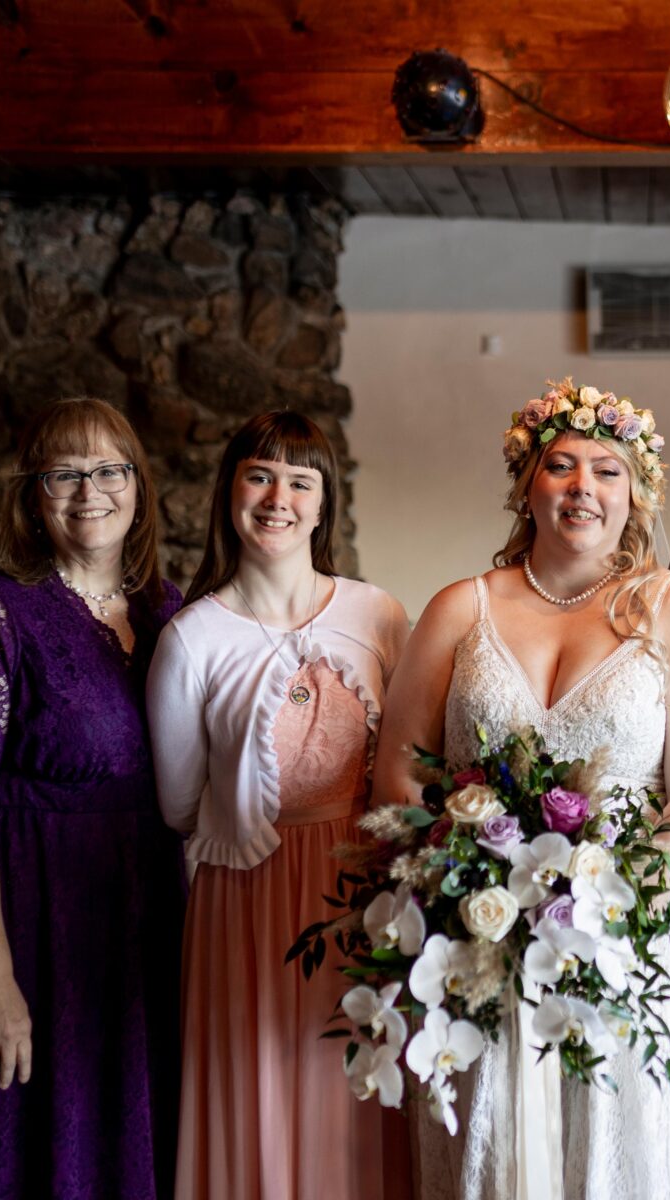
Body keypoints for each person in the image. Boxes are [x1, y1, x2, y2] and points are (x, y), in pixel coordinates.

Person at [376, 380, 670, 1200]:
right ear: (527, 485)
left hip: (633, 940)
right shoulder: (457, 609)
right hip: (482, 937)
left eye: (607, 470)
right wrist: (455, 889)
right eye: (562, 467)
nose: (583, 488)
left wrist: (617, 910)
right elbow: (399, 773)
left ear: (635, 492)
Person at [0, 397, 185, 1200]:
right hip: (25, 926)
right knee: (15, 1153)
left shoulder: (171, 612)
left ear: (138, 485)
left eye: (109, 470)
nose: (90, 491)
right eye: (63, 473)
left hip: (137, 935)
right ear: (32, 495)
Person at [147, 411, 411, 1200]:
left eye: (301, 481)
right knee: (254, 1081)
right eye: (260, 475)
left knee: (354, 1085)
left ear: (324, 504)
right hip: (246, 903)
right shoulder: (190, 639)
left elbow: (409, 758)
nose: (278, 498)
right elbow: (177, 802)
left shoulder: (379, 617)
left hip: (365, 895)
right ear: (231, 491)